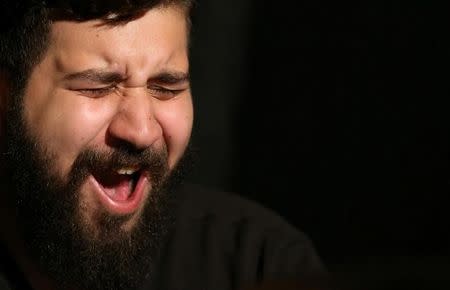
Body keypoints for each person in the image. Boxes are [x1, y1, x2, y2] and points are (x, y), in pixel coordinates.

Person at [0, 1, 326, 289]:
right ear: (6, 96)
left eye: (166, 88)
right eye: (97, 86)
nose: (141, 131)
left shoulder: (258, 263)